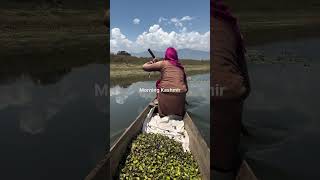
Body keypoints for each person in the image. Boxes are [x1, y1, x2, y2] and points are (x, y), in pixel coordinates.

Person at [211, 0, 251, 179]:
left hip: (211, 94)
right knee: (223, 170)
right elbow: (247, 87)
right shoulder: (230, 24)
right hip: (231, 94)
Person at [142, 47, 188, 117]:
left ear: (166, 55)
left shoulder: (163, 63)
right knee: (158, 82)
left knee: (158, 84)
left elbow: (144, 67)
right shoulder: (181, 67)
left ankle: (159, 102)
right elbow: (186, 87)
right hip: (181, 93)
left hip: (165, 92)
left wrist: (152, 62)